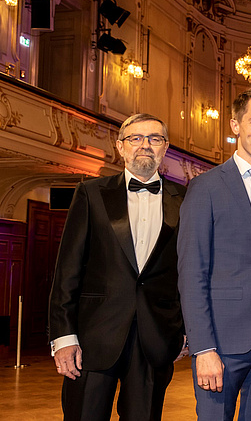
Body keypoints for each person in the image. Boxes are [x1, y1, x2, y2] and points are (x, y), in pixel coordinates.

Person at [48, 113, 187, 421]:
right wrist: (64, 337)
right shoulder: (91, 193)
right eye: (135, 138)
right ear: (120, 147)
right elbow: (67, 270)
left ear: (166, 148)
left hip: (155, 338)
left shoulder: (186, 199)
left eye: (154, 139)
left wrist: (184, 331)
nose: (145, 146)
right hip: (93, 337)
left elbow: (189, 272)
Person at [178, 86, 251, 421]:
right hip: (222, 338)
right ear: (235, 125)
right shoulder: (206, 188)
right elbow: (192, 274)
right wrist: (203, 348)